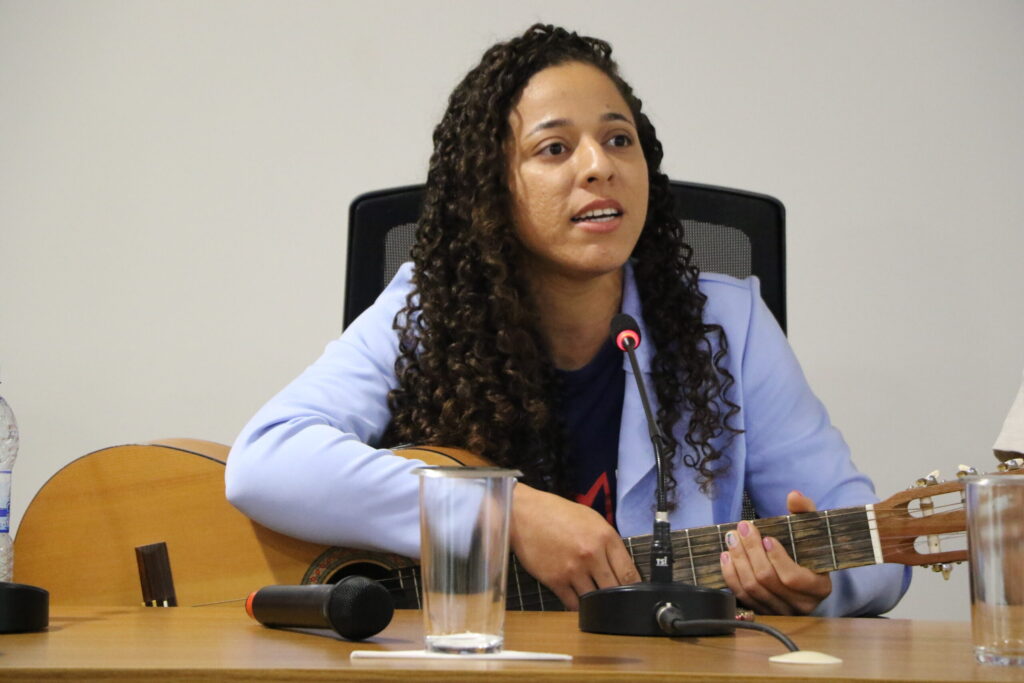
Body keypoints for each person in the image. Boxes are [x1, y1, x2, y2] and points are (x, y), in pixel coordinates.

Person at [226, 24, 909, 617]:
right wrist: (509, 514)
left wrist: (818, 587)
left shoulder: (728, 324)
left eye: (619, 140)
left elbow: (878, 547)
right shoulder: (428, 306)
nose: (599, 166)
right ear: (492, 187)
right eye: (555, 149)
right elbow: (265, 462)